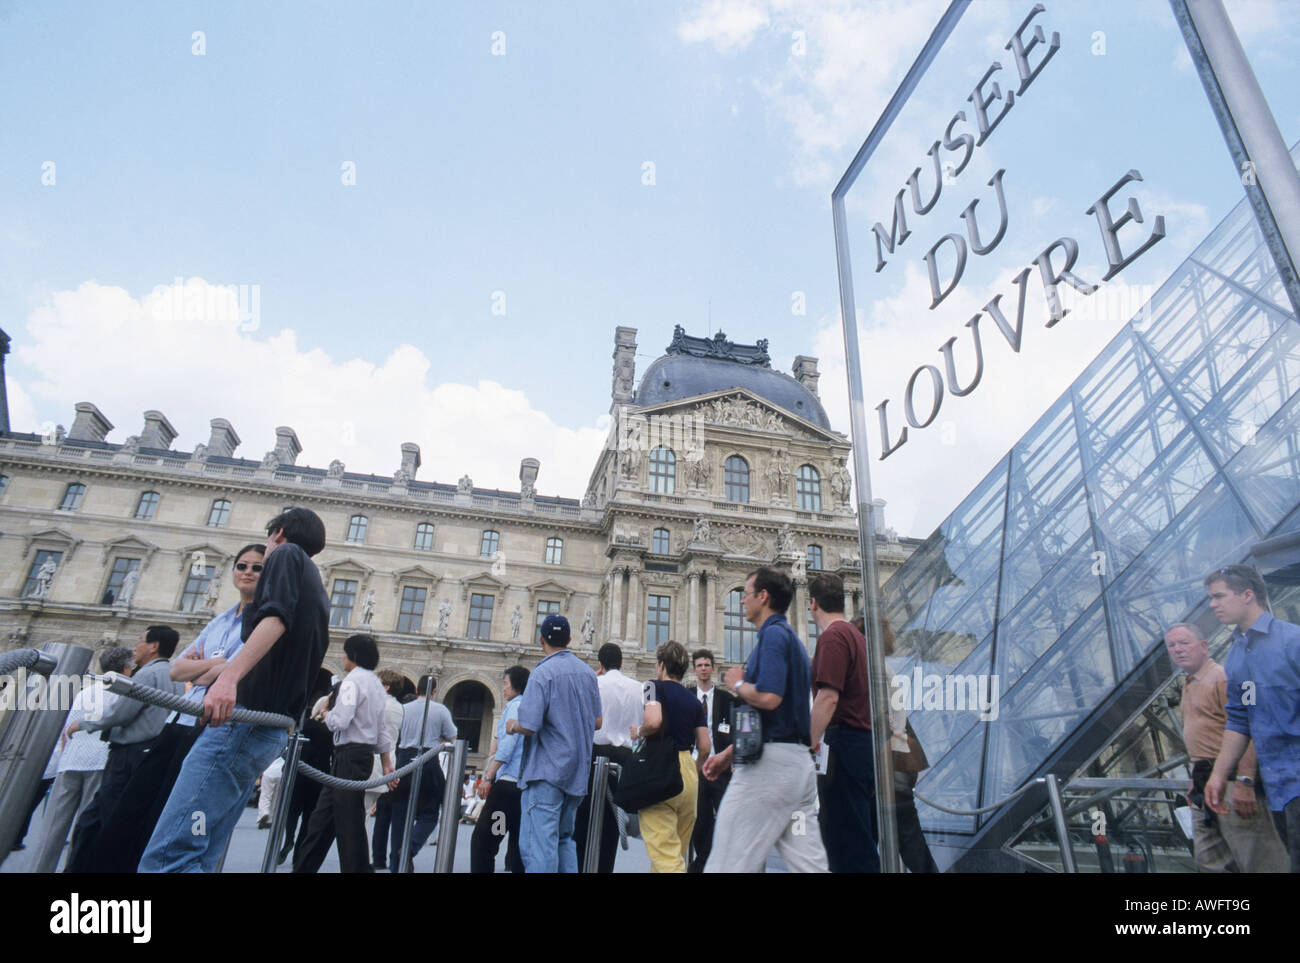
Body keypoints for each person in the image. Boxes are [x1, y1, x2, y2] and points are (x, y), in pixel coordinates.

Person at [140, 506, 331, 873]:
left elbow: (275, 617)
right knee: (203, 841)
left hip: (241, 727)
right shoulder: (315, 586)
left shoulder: (286, 555)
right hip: (267, 728)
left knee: (174, 850)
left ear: (277, 534)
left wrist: (227, 677)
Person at [83, 546, 268, 873]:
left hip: (206, 726)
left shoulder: (262, 626)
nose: (248, 571)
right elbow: (176, 671)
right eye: (241, 565)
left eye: (257, 567)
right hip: (176, 723)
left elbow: (229, 671)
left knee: (168, 821)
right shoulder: (221, 620)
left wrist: (208, 667)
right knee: (128, 814)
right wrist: (216, 665)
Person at [702, 567, 828, 873]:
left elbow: (770, 699)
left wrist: (737, 684)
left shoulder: (772, 636)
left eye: (745, 595)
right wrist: (728, 755)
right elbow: (775, 717)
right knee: (807, 863)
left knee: (728, 858)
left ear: (763, 596)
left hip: (767, 771)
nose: (742, 602)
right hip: (797, 769)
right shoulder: (792, 641)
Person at [1165, 621, 1287, 872]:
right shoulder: (1189, 682)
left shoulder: (1223, 677)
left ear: (1204, 645)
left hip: (1231, 781)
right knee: (1210, 861)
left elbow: (1251, 729)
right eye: (1172, 645)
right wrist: (1194, 779)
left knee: (1257, 858)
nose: (1177, 649)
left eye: (1184, 643)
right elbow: (1204, 735)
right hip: (1204, 782)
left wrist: (1245, 780)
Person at [1202, 565, 1300, 872]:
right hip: (1279, 791)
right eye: (1210, 598)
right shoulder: (1236, 656)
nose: (1212, 604)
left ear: (1247, 595)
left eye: (1219, 596)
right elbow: (1240, 720)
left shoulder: (1293, 642)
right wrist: (1218, 775)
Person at [65, 625, 182, 871]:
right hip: (151, 753)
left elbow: (122, 713)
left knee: (103, 817)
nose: (135, 647)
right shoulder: (176, 676)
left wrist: (84, 724)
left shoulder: (145, 675)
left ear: (154, 646)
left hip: (127, 755)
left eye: (140, 641)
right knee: (122, 817)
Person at [293, 634, 396, 873]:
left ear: (354, 656)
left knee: (350, 824)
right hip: (361, 756)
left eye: (345, 653)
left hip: (348, 754)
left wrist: (326, 714)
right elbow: (382, 730)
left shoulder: (351, 682)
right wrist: (387, 761)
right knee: (322, 819)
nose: (342, 657)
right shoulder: (377, 686)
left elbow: (342, 720)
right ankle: (302, 868)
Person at [507, 614, 602, 873]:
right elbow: (598, 722)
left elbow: (529, 724)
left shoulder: (541, 673)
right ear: (570, 639)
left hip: (546, 771)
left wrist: (512, 725)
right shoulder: (587, 673)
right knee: (564, 840)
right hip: (577, 772)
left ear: (541, 640)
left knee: (539, 846)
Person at [31, 647, 132, 872]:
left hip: (70, 761)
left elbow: (66, 730)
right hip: (99, 761)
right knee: (84, 827)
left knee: (53, 828)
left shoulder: (84, 692)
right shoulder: (123, 695)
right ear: (126, 668)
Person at [808, 573, 879, 873]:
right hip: (861, 745)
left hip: (843, 745)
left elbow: (828, 698)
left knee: (844, 841)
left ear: (812, 604)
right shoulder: (857, 637)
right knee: (858, 837)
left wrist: (809, 740)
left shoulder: (833, 637)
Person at [636, 640, 709, 873]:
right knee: (674, 852)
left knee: (666, 858)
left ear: (661, 665)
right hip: (687, 768)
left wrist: (638, 731)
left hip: (659, 768)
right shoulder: (695, 701)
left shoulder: (651, 687)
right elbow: (705, 747)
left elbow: (653, 721)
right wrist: (693, 769)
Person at [574, 642, 642, 873]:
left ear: (600, 664)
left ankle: (583, 866)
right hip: (624, 758)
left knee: (584, 819)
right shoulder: (639, 687)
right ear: (622, 663)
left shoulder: (594, 682)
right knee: (613, 823)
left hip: (594, 755)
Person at [388, 674, 458, 872]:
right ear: (434, 691)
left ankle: (395, 864)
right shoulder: (440, 710)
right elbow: (453, 737)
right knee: (429, 813)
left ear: (417, 689)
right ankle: (409, 849)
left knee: (399, 814)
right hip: (428, 759)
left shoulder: (404, 709)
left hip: (403, 760)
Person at [471, 665, 529, 873]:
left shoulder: (515, 706)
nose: (503, 688)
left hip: (506, 788)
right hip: (524, 788)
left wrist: (488, 776)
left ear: (516, 685)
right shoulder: (530, 706)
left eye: (505, 684)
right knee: (517, 844)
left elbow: (506, 748)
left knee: (485, 842)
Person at [686, 647, 734, 872]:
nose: (704, 669)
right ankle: (706, 861)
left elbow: (734, 731)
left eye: (707, 665)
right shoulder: (688, 697)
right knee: (700, 819)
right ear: (694, 669)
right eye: (700, 665)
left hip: (720, 765)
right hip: (695, 766)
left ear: (713, 668)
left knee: (725, 816)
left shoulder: (726, 699)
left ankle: (702, 863)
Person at [365, 668, 406, 868]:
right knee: (368, 812)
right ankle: (368, 857)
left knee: (362, 812)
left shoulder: (380, 705)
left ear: (386, 687)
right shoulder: (399, 707)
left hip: (374, 761)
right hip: (387, 761)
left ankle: (365, 859)